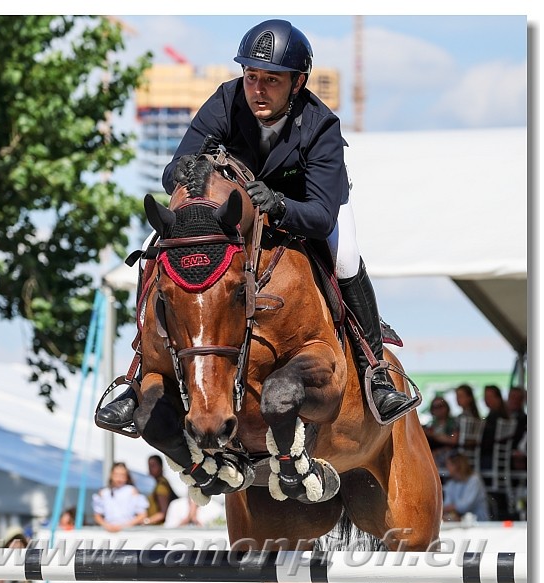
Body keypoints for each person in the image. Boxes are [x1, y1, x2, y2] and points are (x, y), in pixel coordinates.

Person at [96, 18, 416, 433]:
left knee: (346, 259)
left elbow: (320, 217)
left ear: (297, 83)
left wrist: (280, 206)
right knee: (154, 246)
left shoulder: (321, 127)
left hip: (307, 204)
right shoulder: (226, 100)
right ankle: (137, 373)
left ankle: (374, 370)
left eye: (271, 79)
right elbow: (172, 170)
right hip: (240, 210)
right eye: (251, 77)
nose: (258, 89)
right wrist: (190, 170)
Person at [92, 462, 149, 533]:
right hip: (108, 532)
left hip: (129, 532)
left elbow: (142, 515)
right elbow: (97, 515)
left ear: (126, 476)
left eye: (122, 475)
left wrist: (125, 526)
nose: (119, 478)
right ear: (111, 475)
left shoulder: (132, 491)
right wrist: (107, 526)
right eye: (116, 474)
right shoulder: (104, 492)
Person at [442, 451, 489, 522]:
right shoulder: (451, 483)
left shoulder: (474, 480)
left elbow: (465, 506)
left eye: (449, 465)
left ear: (456, 465)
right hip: (459, 522)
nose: (447, 468)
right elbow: (447, 503)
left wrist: (449, 508)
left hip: (479, 523)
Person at [422, 396, 458, 470]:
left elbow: (453, 440)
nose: (438, 410)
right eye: (435, 407)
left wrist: (434, 436)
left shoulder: (452, 423)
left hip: (449, 451)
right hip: (433, 450)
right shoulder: (431, 424)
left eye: (440, 406)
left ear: (446, 407)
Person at [479, 385, 509, 472]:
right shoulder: (502, 414)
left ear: (498, 398)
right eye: (485, 397)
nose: (486, 400)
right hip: (498, 457)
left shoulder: (495, 416)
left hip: (489, 456)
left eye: (489, 397)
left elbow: (487, 439)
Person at [142, 454, 178, 526]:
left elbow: (163, 513)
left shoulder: (161, 486)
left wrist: (146, 521)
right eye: (149, 466)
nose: (150, 469)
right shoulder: (160, 483)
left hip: (159, 527)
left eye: (153, 466)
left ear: (161, 466)